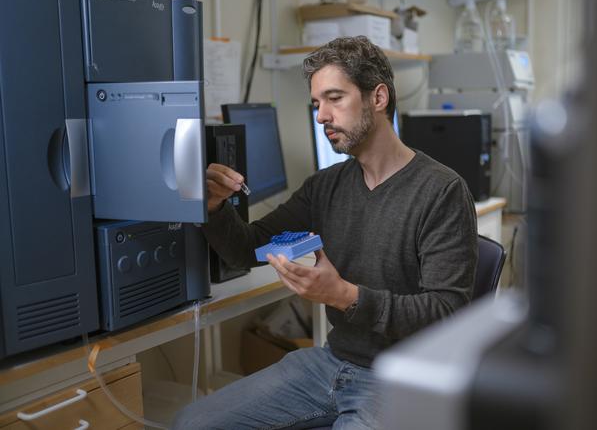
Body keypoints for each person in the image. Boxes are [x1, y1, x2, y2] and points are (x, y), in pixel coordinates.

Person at [172, 35, 478, 429]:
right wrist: (214, 207)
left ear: (378, 98)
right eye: (317, 103)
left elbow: (446, 313)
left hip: (402, 376)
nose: (321, 116)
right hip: (330, 363)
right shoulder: (325, 186)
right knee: (189, 423)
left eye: (334, 98)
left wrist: (344, 296)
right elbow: (247, 249)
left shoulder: (441, 191)